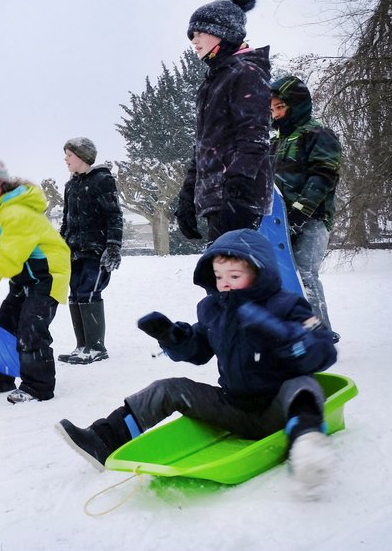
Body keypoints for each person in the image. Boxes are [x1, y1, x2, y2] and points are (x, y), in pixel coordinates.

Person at [56, 229, 338, 498]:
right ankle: (104, 438)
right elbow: (199, 349)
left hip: (280, 408)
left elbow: (323, 350)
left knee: (302, 386)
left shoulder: (288, 305)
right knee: (168, 389)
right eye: (218, 276)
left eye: (235, 275)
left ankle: (307, 447)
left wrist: (281, 334)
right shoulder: (214, 309)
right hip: (234, 408)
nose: (224, 283)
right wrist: (173, 337)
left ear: (260, 274)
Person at [0, 158, 70, 404]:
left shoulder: (16, 212)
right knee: (2, 325)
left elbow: (11, 257)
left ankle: (38, 387)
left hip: (46, 277)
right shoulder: (5, 210)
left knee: (31, 329)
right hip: (27, 278)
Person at [176, 0, 273, 243]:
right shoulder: (214, 80)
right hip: (217, 198)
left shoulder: (246, 73)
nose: (194, 41)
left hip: (238, 197)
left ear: (223, 33)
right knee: (221, 278)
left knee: (235, 278)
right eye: (191, 35)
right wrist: (188, 195)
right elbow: (205, 146)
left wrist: (239, 185)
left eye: (199, 33)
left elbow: (254, 135)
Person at [270, 75, 342, 338]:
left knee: (304, 273)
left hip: (314, 218)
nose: (276, 114)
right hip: (280, 220)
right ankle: (295, 330)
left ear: (296, 105)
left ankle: (320, 333)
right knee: (283, 276)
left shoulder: (318, 134)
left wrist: (302, 211)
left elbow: (323, 175)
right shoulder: (275, 142)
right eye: (272, 109)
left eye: (281, 107)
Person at [58, 137, 124, 365]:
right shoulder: (70, 185)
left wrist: (113, 246)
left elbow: (114, 215)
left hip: (95, 249)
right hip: (73, 250)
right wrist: (59, 246)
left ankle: (96, 347)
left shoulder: (102, 180)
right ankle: (82, 346)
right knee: (75, 293)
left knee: (89, 291)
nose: (65, 159)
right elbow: (66, 221)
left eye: (69, 154)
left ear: (83, 157)